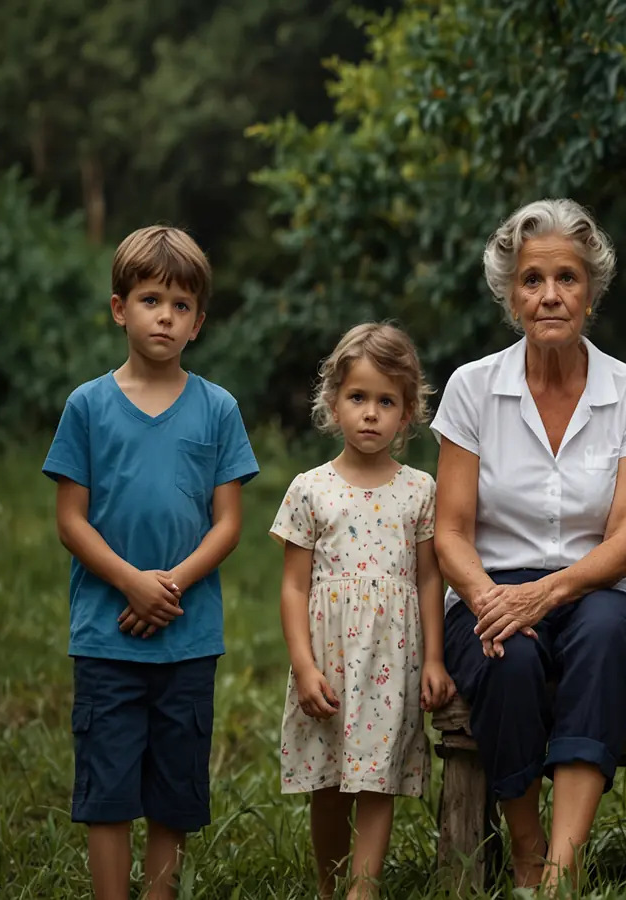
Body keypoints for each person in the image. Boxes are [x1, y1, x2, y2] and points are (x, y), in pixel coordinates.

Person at [431, 198, 626, 893]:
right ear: (510, 293)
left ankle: (564, 866)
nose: (550, 295)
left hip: (597, 585)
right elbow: (450, 530)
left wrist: (547, 593)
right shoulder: (474, 388)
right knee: (508, 659)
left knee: (604, 636)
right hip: (489, 585)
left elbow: (625, 541)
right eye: (533, 280)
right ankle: (526, 851)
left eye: (567, 278)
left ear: (591, 290)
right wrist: (490, 599)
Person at [42, 226, 260, 900]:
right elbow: (71, 521)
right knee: (106, 785)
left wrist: (170, 586)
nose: (165, 314)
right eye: (150, 299)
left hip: (187, 636)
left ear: (198, 322)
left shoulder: (218, 409)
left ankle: (161, 893)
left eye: (181, 304)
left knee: (175, 785)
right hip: (106, 637)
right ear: (119, 309)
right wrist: (130, 583)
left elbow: (228, 524)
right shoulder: (87, 406)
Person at [270, 322, 456, 900]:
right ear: (333, 403)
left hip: (390, 660)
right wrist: (303, 667)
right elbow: (293, 588)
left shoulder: (420, 490)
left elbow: (430, 578)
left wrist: (434, 660)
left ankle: (364, 887)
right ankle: (329, 884)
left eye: (386, 401)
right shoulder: (310, 489)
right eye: (358, 398)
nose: (371, 413)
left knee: (377, 776)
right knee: (329, 780)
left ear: (407, 414)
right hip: (328, 659)